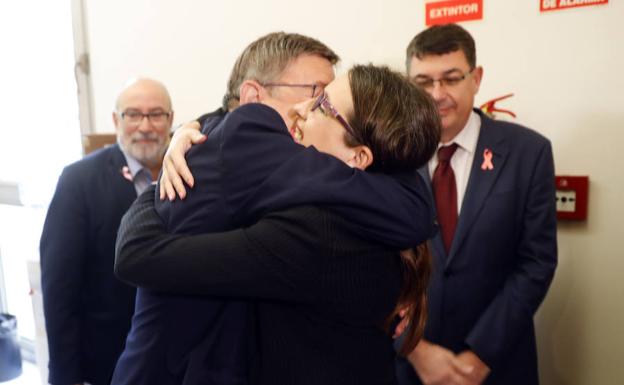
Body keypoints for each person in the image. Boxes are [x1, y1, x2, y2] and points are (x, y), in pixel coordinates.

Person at [111, 33, 436, 385]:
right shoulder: (242, 154)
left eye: (322, 103)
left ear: (360, 155)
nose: (304, 109)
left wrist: (159, 187)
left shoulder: (319, 227)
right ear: (252, 97)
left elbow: (140, 255)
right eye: (313, 92)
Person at [394, 23, 558, 385]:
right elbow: (369, 264)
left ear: (476, 78)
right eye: (423, 82)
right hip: (408, 368)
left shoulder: (528, 153)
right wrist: (415, 349)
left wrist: (480, 354)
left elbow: (536, 263)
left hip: (496, 366)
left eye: (451, 78)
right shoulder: (388, 155)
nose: (437, 95)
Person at [39, 78, 173, 385]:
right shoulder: (79, 182)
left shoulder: (189, 171)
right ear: (116, 120)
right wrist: (64, 377)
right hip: (107, 364)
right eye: (133, 114)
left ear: (170, 119)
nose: (145, 126)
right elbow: (61, 291)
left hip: (174, 362)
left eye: (155, 114)